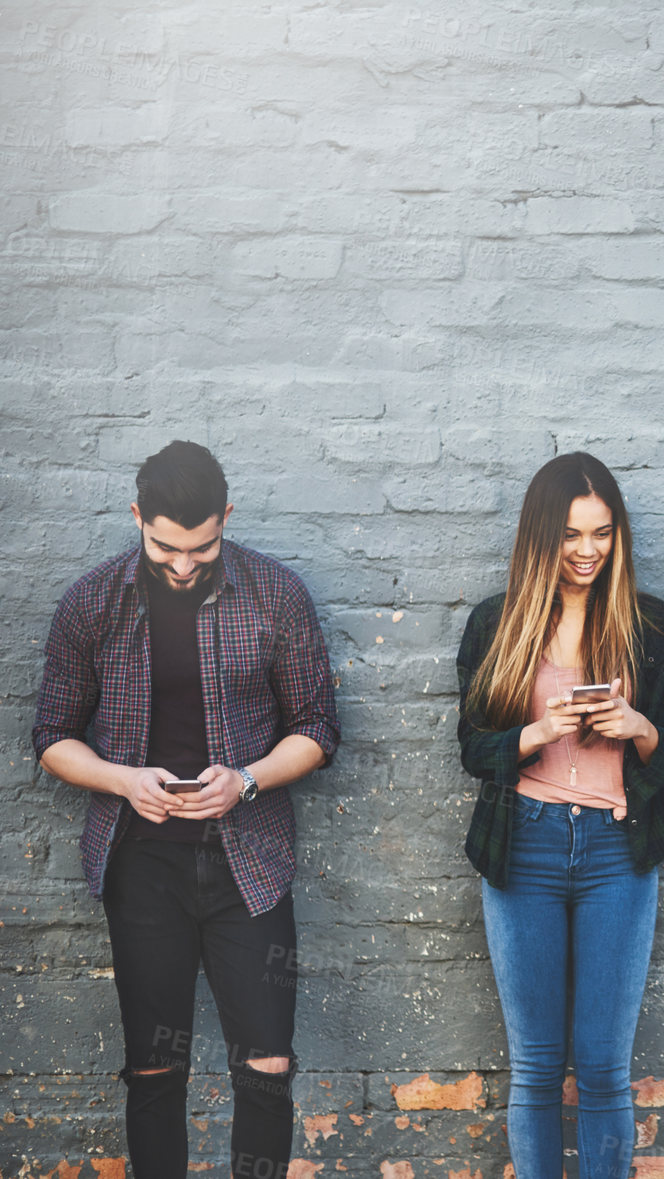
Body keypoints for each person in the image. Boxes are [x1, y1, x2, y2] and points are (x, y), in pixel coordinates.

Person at [31, 441, 339, 1179]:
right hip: (144, 866)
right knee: (155, 1070)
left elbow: (319, 728)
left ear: (226, 519)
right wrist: (120, 779)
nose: (181, 564)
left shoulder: (276, 595)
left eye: (201, 548)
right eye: (165, 545)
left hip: (251, 863)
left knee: (267, 1065)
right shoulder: (93, 602)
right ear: (137, 517)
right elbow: (52, 736)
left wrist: (246, 779)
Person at [457, 452, 664, 1179]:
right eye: (571, 534)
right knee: (534, 1066)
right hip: (524, 841)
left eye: (602, 533)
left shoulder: (647, 623)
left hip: (618, 850)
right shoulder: (497, 622)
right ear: (540, 537)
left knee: (603, 1066)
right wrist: (538, 731)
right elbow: (471, 747)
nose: (588, 551)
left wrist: (634, 724)